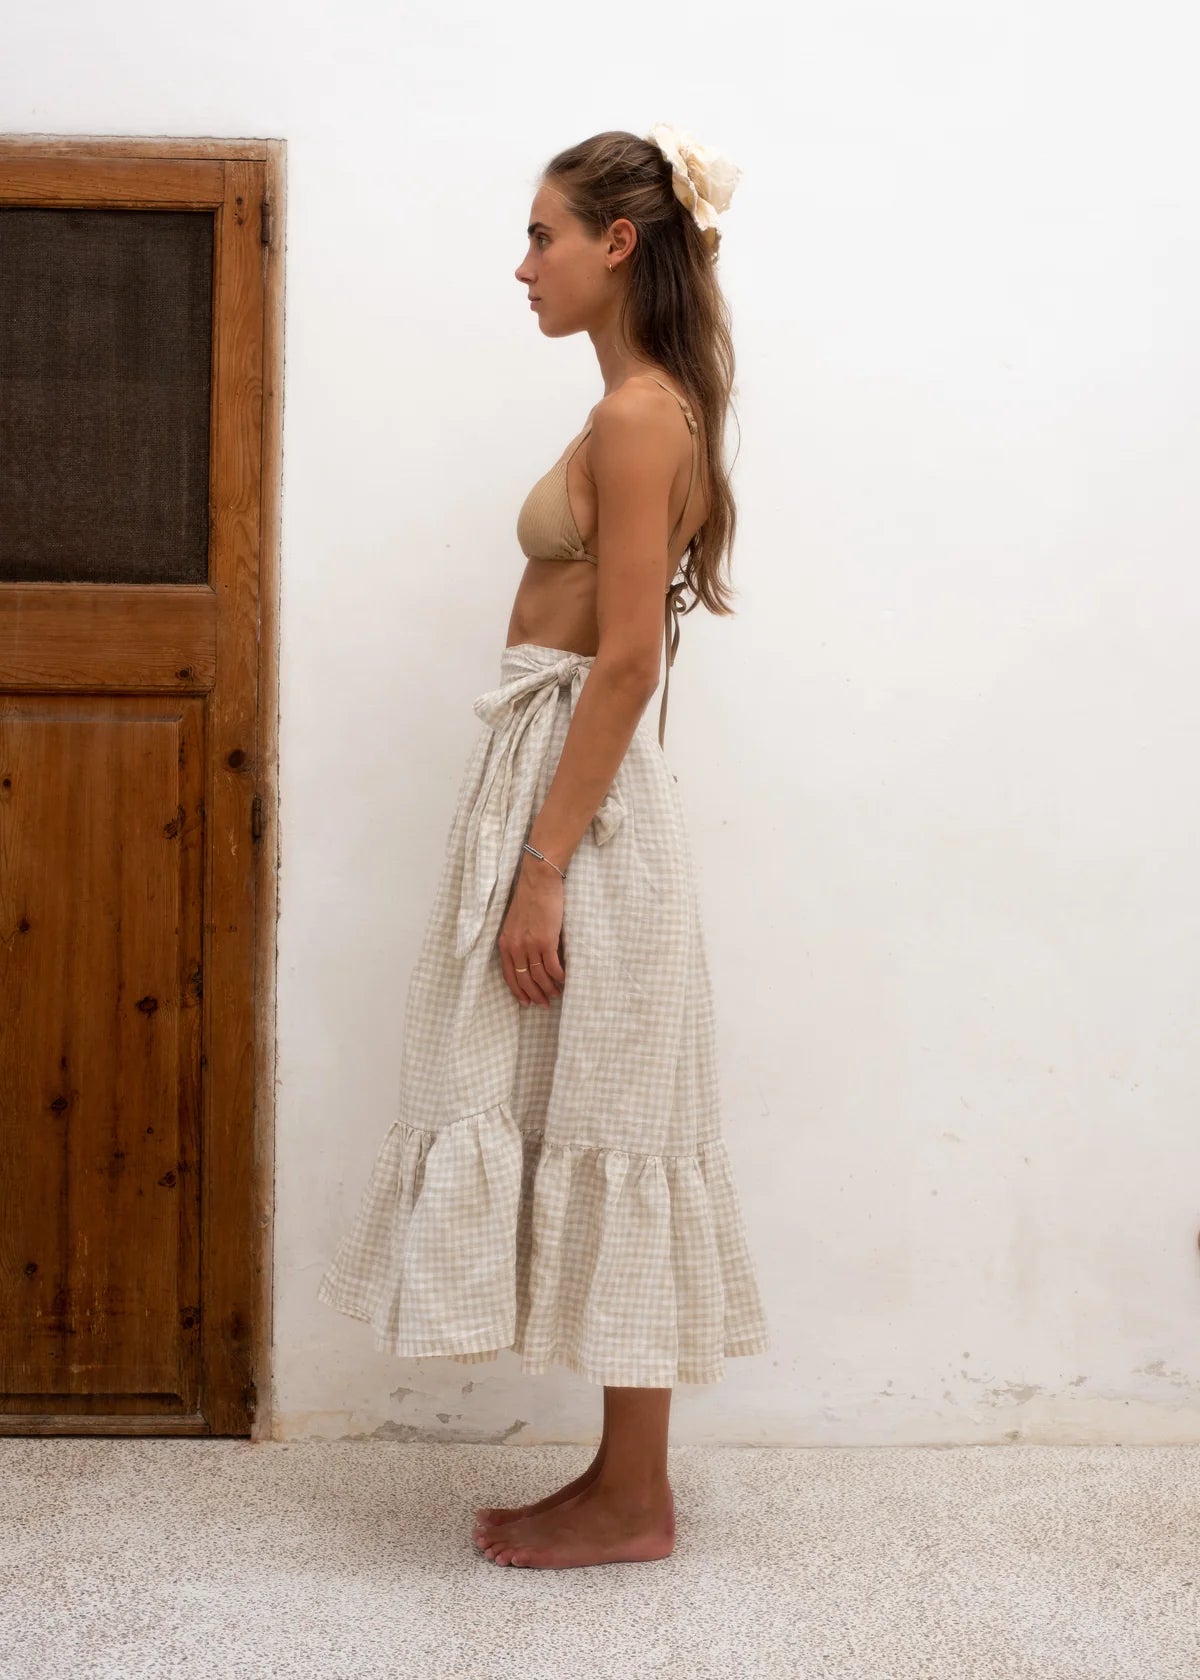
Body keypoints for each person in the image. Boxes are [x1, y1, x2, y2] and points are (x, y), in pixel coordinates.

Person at [318, 124, 770, 1570]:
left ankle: (635, 1501)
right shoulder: (640, 406)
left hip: (584, 812)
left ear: (618, 244)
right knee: (593, 1114)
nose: (523, 268)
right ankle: (621, 1484)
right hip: (563, 786)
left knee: (619, 1125)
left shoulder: (640, 416)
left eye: (542, 236)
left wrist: (547, 863)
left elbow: (627, 661)